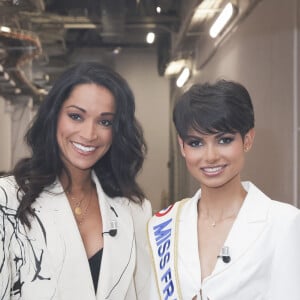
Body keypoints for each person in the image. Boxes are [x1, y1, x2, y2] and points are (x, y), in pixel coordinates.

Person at [0, 62, 154, 300]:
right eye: (76, 116)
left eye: (105, 122)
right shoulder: (7, 199)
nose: (89, 134)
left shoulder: (134, 209)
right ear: (54, 117)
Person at [148, 80, 300, 300]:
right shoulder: (163, 225)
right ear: (182, 146)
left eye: (224, 140)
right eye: (196, 143)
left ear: (247, 140)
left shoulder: (283, 223)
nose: (210, 156)